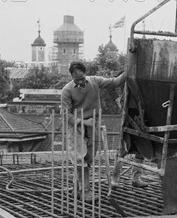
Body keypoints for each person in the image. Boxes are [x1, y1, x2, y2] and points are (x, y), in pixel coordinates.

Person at [61, 61, 147, 201]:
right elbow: (65, 115)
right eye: (77, 79)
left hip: (93, 124)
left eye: (82, 78)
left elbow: (115, 82)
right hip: (76, 126)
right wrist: (82, 122)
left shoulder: (95, 81)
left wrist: (130, 67)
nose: (81, 81)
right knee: (79, 158)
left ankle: (76, 190)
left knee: (88, 158)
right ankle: (86, 192)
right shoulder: (67, 90)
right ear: (72, 76)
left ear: (85, 73)